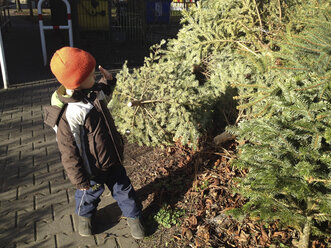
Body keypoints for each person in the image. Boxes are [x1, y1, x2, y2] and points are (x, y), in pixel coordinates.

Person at [43, 47, 144, 239]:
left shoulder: (92, 91)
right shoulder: (70, 113)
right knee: (88, 197)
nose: (95, 76)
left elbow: (104, 91)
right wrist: (79, 179)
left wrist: (109, 81)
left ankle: (135, 219)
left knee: (125, 190)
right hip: (92, 170)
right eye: (91, 75)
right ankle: (85, 222)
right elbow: (69, 150)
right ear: (77, 82)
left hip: (112, 158)